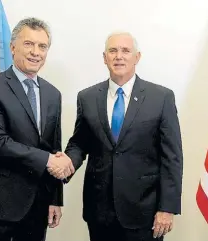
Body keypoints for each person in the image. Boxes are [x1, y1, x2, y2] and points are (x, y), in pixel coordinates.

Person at [61, 32, 183, 241]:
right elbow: (80, 143)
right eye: (113, 50)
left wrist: (167, 208)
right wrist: (65, 163)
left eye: (125, 51)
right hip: (100, 212)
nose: (119, 56)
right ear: (104, 57)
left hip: (145, 213)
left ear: (137, 57)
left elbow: (172, 157)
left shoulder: (161, 97)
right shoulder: (87, 97)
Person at [0, 17, 74, 241]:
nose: (36, 52)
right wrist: (48, 160)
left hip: (37, 206)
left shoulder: (52, 94)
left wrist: (55, 198)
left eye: (42, 46)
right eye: (29, 44)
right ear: (13, 46)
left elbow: (54, 148)